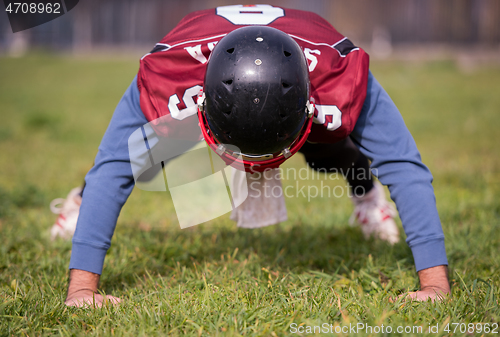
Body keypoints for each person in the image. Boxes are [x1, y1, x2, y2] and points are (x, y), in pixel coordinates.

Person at [56, 5, 449, 307]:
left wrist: (434, 285)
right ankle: (81, 200)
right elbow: (114, 166)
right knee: (148, 159)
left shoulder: (337, 75)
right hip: (202, 87)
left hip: (305, 87)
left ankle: (366, 197)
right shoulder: (172, 75)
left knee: (332, 147)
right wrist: (82, 289)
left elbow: (403, 164)